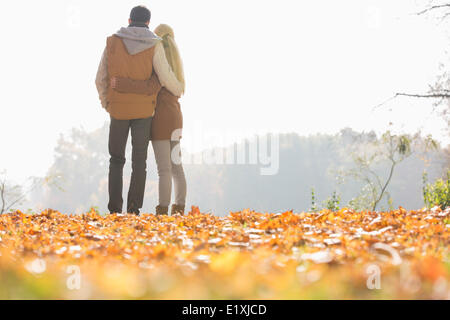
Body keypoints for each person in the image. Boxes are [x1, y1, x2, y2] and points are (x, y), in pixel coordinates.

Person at [95, 6, 175, 215]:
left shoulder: (113, 42)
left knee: (116, 159)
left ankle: (114, 209)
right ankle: (133, 208)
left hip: (118, 110)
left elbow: (100, 78)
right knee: (139, 160)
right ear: (149, 23)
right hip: (144, 112)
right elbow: (163, 77)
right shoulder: (154, 45)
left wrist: (107, 103)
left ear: (129, 19)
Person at [111, 24, 187, 216]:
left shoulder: (158, 62)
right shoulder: (177, 65)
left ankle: (162, 210)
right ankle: (179, 208)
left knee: (164, 169)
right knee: (177, 166)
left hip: (161, 118)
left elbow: (149, 86)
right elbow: (178, 89)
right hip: (176, 116)